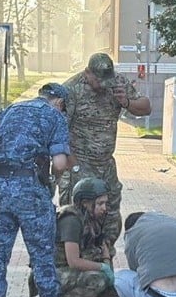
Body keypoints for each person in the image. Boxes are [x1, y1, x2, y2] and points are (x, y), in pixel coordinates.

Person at [0, 82, 75, 297]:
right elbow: (59, 162)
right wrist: (59, 171)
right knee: (43, 256)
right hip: (32, 193)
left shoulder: (10, 110)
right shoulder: (54, 116)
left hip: (0, 191)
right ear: (58, 102)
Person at [59, 53, 151, 256]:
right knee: (77, 216)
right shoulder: (71, 89)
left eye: (105, 80)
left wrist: (126, 101)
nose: (102, 85)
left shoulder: (117, 82)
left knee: (109, 214)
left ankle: (104, 254)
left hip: (106, 164)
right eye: (98, 80)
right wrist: (72, 165)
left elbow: (145, 108)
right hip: (79, 162)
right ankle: (75, 260)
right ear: (87, 73)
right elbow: (58, 131)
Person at [52, 177, 118, 297]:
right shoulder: (71, 221)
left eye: (105, 203)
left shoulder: (91, 218)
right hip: (55, 271)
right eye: (100, 203)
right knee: (98, 280)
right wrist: (102, 267)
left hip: (68, 270)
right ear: (85, 203)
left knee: (116, 287)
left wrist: (106, 261)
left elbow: (102, 248)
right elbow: (73, 261)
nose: (104, 208)